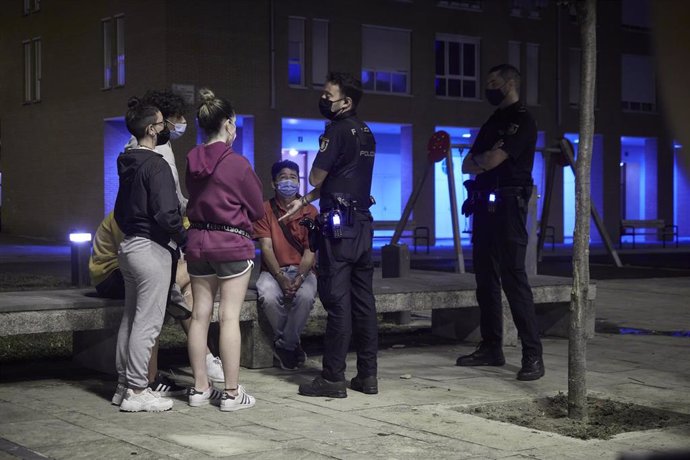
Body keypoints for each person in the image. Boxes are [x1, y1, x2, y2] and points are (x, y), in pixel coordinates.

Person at [282, 72, 378, 398]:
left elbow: (317, 174)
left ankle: (333, 378)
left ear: (346, 102)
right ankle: (367, 376)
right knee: (364, 303)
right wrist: (306, 199)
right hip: (363, 223)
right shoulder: (366, 132)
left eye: (328, 95)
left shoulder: (335, 131)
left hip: (340, 230)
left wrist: (312, 188)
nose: (324, 99)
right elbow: (347, 178)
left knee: (338, 303)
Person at [457, 64, 544, 381]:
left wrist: (486, 158)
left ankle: (532, 354)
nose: (488, 88)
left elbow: (491, 160)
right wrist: (485, 158)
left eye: (493, 82)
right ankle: (492, 347)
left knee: (513, 280)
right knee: (485, 281)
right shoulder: (493, 121)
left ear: (509, 83)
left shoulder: (522, 120)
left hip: (509, 206)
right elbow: (468, 162)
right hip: (483, 206)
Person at [185, 88, 264, 411]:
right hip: (231, 243)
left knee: (199, 316)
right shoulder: (238, 164)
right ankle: (231, 394)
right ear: (229, 123)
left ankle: (200, 388)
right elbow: (257, 208)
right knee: (229, 316)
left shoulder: (191, 159)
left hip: (198, 244)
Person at [89, 211, 225, 400]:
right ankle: (204, 360)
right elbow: (137, 256)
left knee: (188, 289)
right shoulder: (125, 216)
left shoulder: (177, 214)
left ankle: (203, 360)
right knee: (195, 271)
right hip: (112, 274)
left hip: (147, 269)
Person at [112, 97, 187, 412]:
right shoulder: (156, 164)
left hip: (129, 246)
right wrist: (185, 239)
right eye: (161, 122)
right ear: (152, 129)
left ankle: (123, 386)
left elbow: (118, 211)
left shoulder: (127, 160)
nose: (167, 126)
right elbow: (168, 214)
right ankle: (137, 390)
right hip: (151, 250)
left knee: (130, 319)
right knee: (147, 323)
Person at [253, 160, 318, 370]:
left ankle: (284, 346)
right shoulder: (264, 210)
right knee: (268, 295)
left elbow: (311, 250)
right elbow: (266, 247)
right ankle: (292, 345)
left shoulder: (310, 212)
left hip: (303, 270)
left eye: (293, 177)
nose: (288, 182)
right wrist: (281, 277)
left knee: (306, 296)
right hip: (273, 271)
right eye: (283, 177)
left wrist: (299, 278)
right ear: (273, 183)